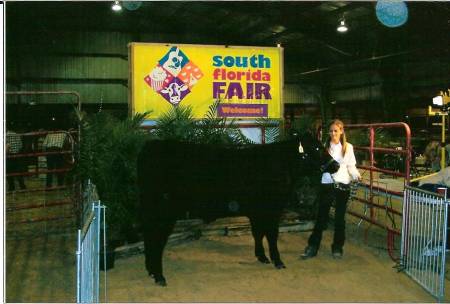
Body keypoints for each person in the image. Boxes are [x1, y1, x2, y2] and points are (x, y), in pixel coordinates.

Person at [301, 119, 361, 259]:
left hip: (343, 185)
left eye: (336, 130)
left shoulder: (348, 148)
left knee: (340, 219)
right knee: (321, 217)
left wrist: (356, 175)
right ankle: (312, 247)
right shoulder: (324, 147)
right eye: (331, 131)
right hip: (327, 184)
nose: (333, 133)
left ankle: (337, 247)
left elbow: (351, 166)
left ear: (341, 131)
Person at [6, 126, 27, 191]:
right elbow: (21, 145)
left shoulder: (6, 135)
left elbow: (7, 146)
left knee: (9, 172)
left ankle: (11, 187)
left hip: (9, 155)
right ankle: (22, 186)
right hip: (17, 155)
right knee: (18, 171)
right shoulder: (17, 135)